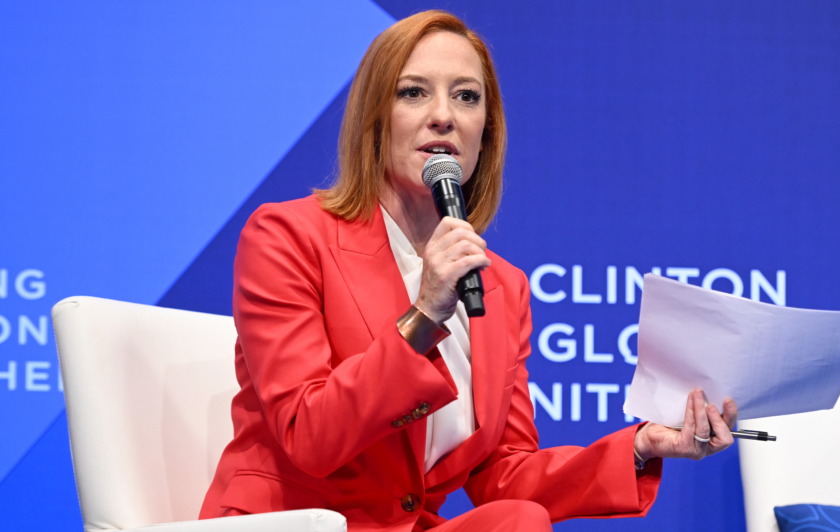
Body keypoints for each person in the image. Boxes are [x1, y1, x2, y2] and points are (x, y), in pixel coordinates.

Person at [199, 10, 738, 532]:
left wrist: (641, 446)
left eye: (466, 96)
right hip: (295, 522)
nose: (444, 115)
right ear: (374, 119)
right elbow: (310, 435)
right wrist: (423, 316)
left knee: (517, 521)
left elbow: (506, 476)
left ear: (486, 132)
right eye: (414, 92)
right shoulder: (288, 237)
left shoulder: (502, 286)